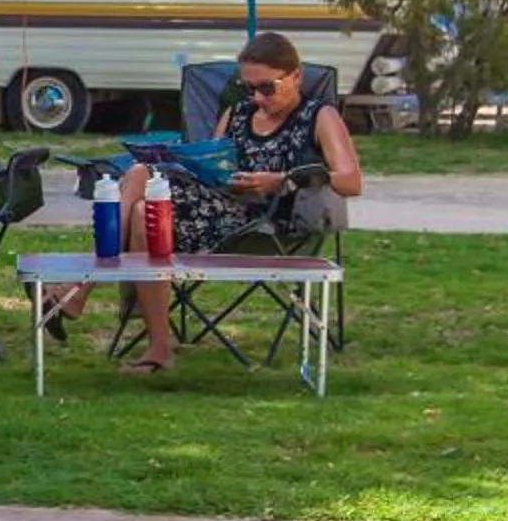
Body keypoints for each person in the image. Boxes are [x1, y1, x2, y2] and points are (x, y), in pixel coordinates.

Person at [47, 31, 363, 374]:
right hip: (217, 207)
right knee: (142, 197)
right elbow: (213, 164)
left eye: (267, 88)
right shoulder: (238, 113)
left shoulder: (320, 116)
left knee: (142, 195)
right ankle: (158, 347)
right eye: (249, 88)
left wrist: (282, 180)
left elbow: (350, 180)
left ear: (296, 76)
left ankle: (82, 287)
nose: (257, 97)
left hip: (269, 224)